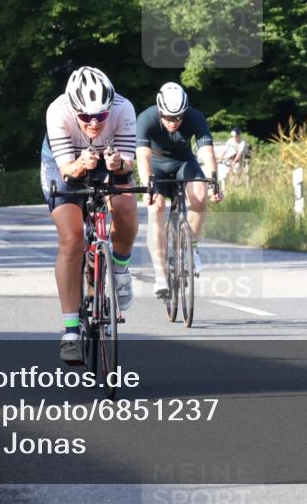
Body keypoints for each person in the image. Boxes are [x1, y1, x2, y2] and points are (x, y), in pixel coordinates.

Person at [40, 66, 138, 365]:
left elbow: (128, 166)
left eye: (101, 116)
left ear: (110, 107)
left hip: (108, 161)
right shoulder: (58, 111)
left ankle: (119, 267)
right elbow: (68, 170)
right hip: (65, 163)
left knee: (125, 207)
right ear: (73, 109)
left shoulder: (123, 108)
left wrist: (119, 162)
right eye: (86, 117)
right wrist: (80, 165)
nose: (94, 123)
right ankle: (70, 332)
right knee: (72, 239)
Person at [135, 82, 222, 300]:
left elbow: (207, 152)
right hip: (156, 165)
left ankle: (191, 247)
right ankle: (160, 275)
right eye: (168, 118)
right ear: (160, 110)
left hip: (184, 162)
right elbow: (143, 157)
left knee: (200, 196)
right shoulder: (147, 118)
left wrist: (214, 180)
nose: (174, 123)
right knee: (156, 207)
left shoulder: (195, 117)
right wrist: (148, 187)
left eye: (178, 118)